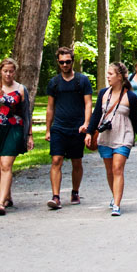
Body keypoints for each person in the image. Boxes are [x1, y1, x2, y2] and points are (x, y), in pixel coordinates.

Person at [85, 62, 137, 216]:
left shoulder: (130, 96)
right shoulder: (103, 93)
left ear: (119, 76)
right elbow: (96, 114)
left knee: (118, 168)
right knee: (110, 170)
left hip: (124, 135)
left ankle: (117, 204)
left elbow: (136, 119)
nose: (108, 76)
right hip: (106, 136)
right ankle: (114, 195)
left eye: (110, 74)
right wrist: (89, 133)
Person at [0, 58, 33, 215]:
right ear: (0, 71)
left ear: (15, 72)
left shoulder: (21, 89)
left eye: (11, 71)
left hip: (14, 130)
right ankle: (8, 196)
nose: (8, 74)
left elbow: (26, 114)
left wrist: (29, 135)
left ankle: (1, 203)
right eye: (5, 71)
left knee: (5, 165)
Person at [45, 46, 93, 209]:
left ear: (73, 61)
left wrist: (86, 124)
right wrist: (48, 129)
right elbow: (50, 107)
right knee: (56, 160)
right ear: (58, 63)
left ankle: (75, 191)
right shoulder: (54, 83)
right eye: (62, 62)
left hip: (77, 127)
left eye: (68, 62)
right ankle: (56, 196)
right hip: (59, 127)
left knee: (76, 162)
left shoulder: (82, 81)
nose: (65, 65)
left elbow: (88, 103)